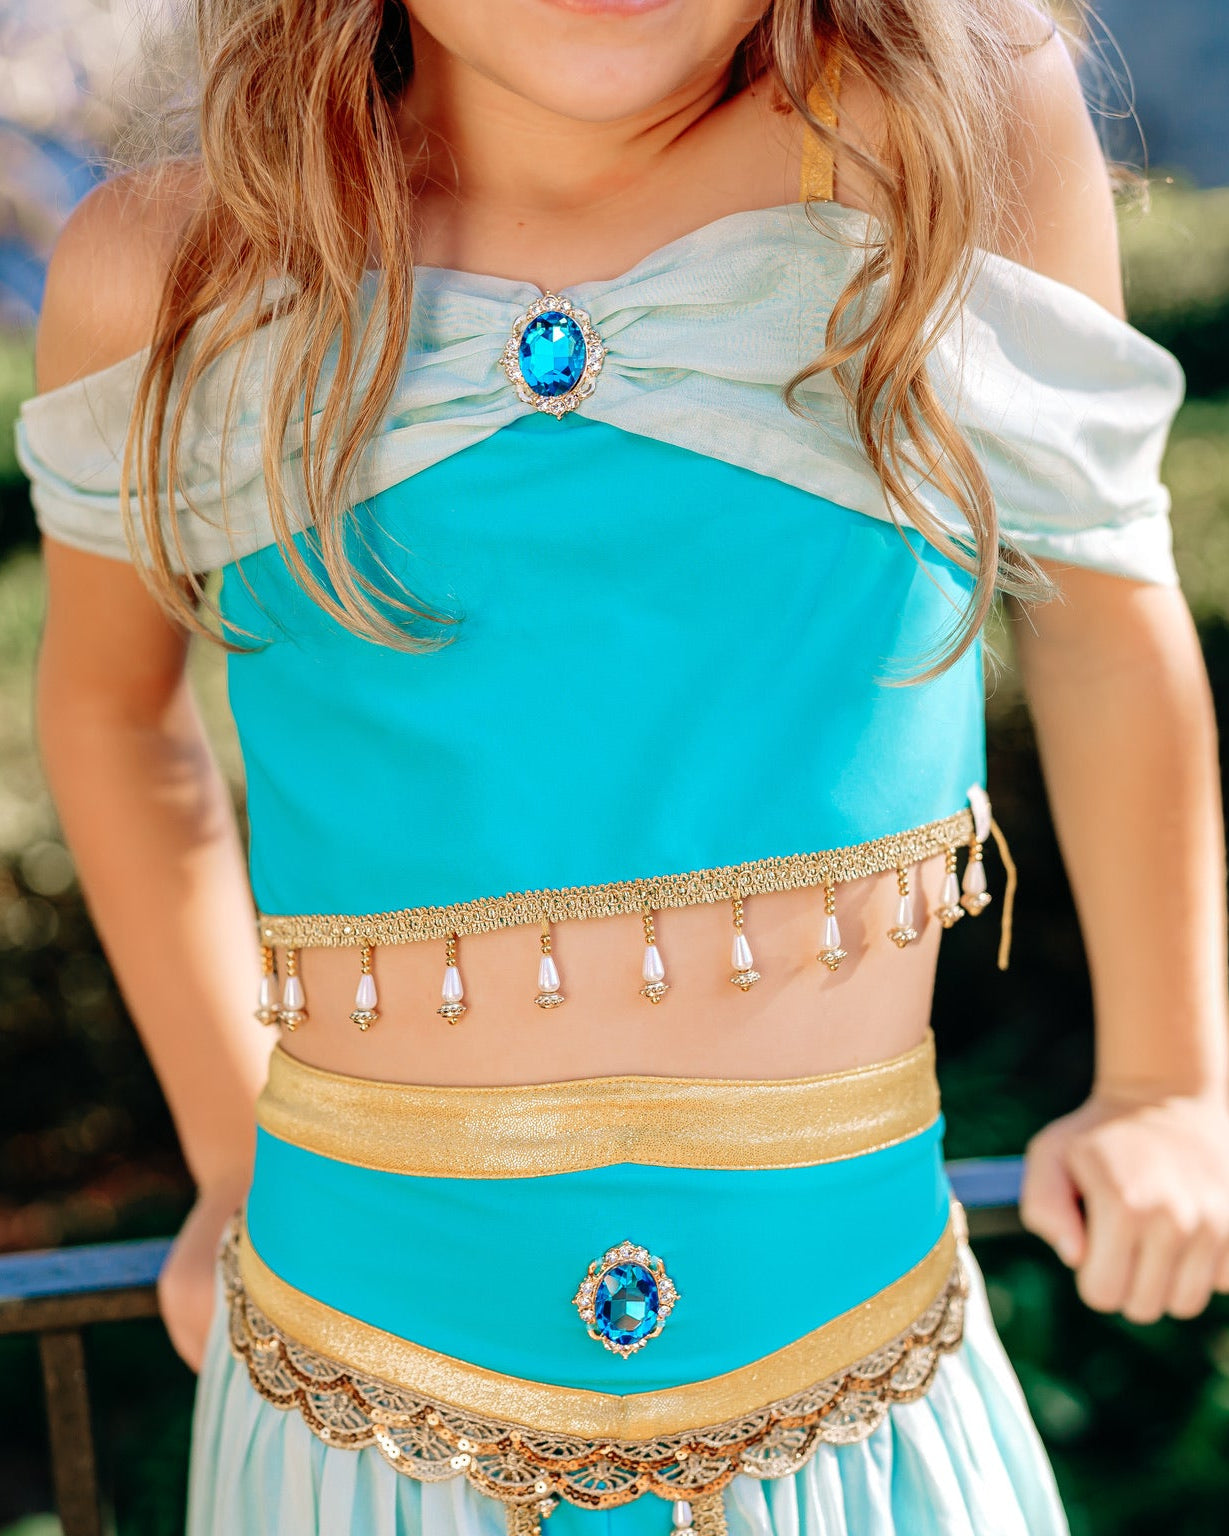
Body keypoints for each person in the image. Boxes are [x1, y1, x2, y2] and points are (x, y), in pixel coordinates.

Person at [16, 0, 1229, 1531]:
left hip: (867, 1397)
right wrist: (224, 1151)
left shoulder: (947, 128)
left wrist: (1167, 1084)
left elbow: (1102, 609)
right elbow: (112, 709)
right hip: (346, 1415)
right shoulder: (174, 263)